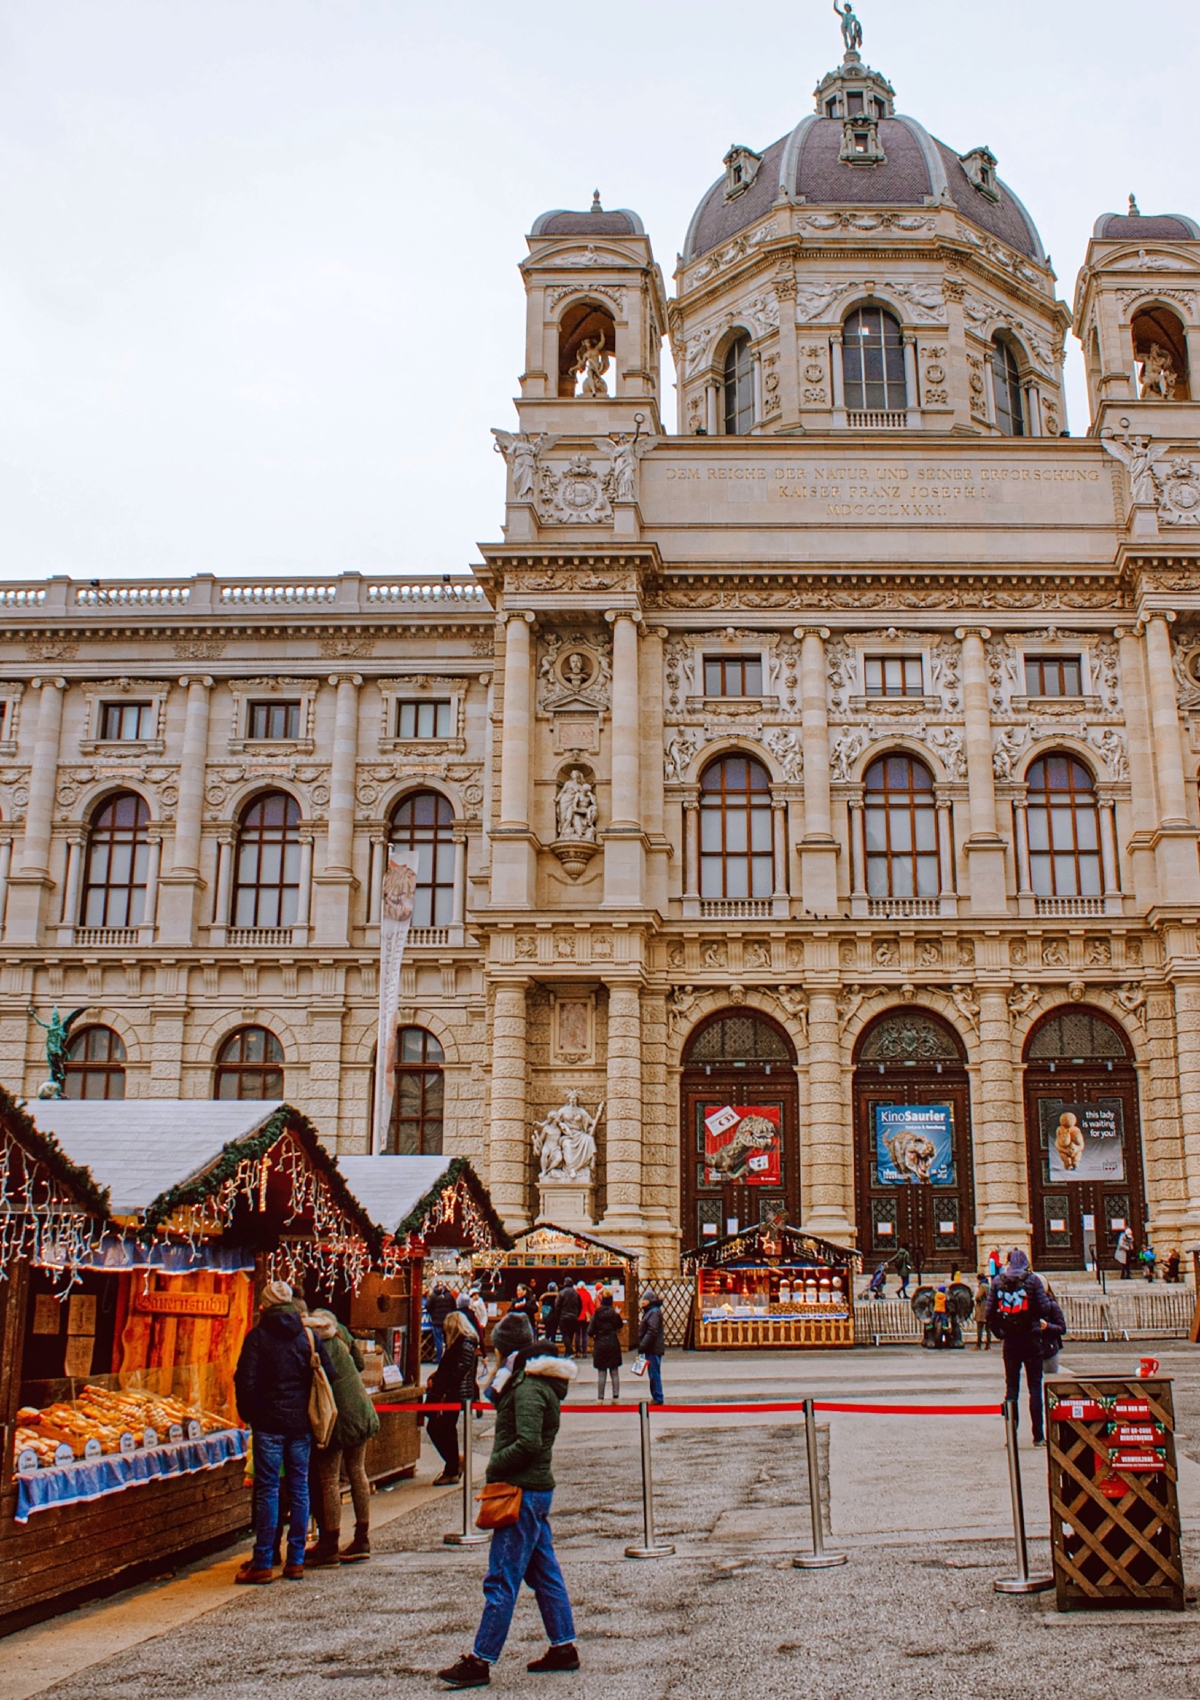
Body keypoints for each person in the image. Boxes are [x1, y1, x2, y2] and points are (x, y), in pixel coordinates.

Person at [438, 1312, 579, 1689]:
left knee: (502, 1575)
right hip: (533, 1488)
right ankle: (563, 1645)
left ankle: (481, 1659)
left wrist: (495, 1465)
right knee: (543, 1571)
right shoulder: (524, 1379)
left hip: (521, 1488)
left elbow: (529, 1443)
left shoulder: (529, 1387)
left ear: (506, 1350)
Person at [233, 1279, 334, 1583]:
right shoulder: (307, 1336)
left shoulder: (257, 1338)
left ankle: (264, 1561)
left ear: (264, 1306)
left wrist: (251, 1415)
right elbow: (328, 1374)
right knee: (300, 1487)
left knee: (268, 1490)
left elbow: (244, 1381)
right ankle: (296, 1560)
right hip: (300, 1424)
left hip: (268, 1425)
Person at [304, 1310, 381, 1566]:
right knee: (358, 1471)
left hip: (334, 1415)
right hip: (360, 1408)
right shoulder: (340, 1335)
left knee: (329, 1480)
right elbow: (359, 1363)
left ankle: (330, 1545)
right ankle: (362, 1537)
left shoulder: (311, 1345)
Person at [986, 1249, 1063, 1447]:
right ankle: (1038, 1435)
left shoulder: (997, 1282)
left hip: (1010, 1341)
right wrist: (1034, 1320)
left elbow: (989, 1313)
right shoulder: (1033, 1280)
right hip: (1031, 1339)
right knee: (1035, 1387)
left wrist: (1000, 1332)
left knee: (1011, 1388)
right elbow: (1045, 1307)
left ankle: (1011, 1435)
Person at [424, 1310, 480, 1487]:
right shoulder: (467, 1343)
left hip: (453, 1394)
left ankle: (452, 1466)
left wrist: (442, 1387)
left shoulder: (463, 1345)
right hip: (455, 1393)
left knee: (440, 1427)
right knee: (445, 1428)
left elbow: (457, 1372)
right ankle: (454, 1463)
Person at [587, 1290, 624, 1402]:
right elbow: (620, 1325)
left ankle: (600, 1398)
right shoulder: (614, 1314)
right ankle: (616, 1397)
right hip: (613, 1342)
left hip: (600, 1344)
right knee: (614, 1371)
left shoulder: (596, 1315)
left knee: (601, 1372)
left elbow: (589, 1331)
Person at [637, 1289, 665, 1406]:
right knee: (653, 1373)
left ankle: (658, 1396)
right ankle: (656, 1395)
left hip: (653, 1348)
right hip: (651, 1347)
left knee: (654, 1373)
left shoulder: (653, 1312)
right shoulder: (651, 1311)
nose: (642, 1302)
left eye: (644, 1300)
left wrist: (643, 1344)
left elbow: (652, 1331)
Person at [427, 1279, 457, 1363]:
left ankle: (439, 1358)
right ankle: (448, 1357)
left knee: (438, 1340)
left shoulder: (433, 1296)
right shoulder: (449, 1295)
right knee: (448, 1339)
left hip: (436, 1322)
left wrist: (432, 1313)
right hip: (447, 1321)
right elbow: (454, 1307)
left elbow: (428, 1306)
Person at [555, 1278, 583, 1358]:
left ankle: (570, 1352)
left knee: (565, 1335)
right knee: (570, 1335)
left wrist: (558, 1317)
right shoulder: (576, 1294)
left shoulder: (561, 1293)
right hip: (574, 1317)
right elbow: (580, 1306)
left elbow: (557, 1306)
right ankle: (567, 1353)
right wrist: (577, 1314)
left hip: (563, 1316)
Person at [972, 1273, 991, 1351]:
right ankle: (988, 1344)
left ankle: (978, 1344)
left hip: (982, 1308)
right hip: (988, 1308)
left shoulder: (982, 1286)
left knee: (980, 1327)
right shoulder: (988, 1285)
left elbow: (978, 1296)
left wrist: (976, 1299)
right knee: (988, 1328)